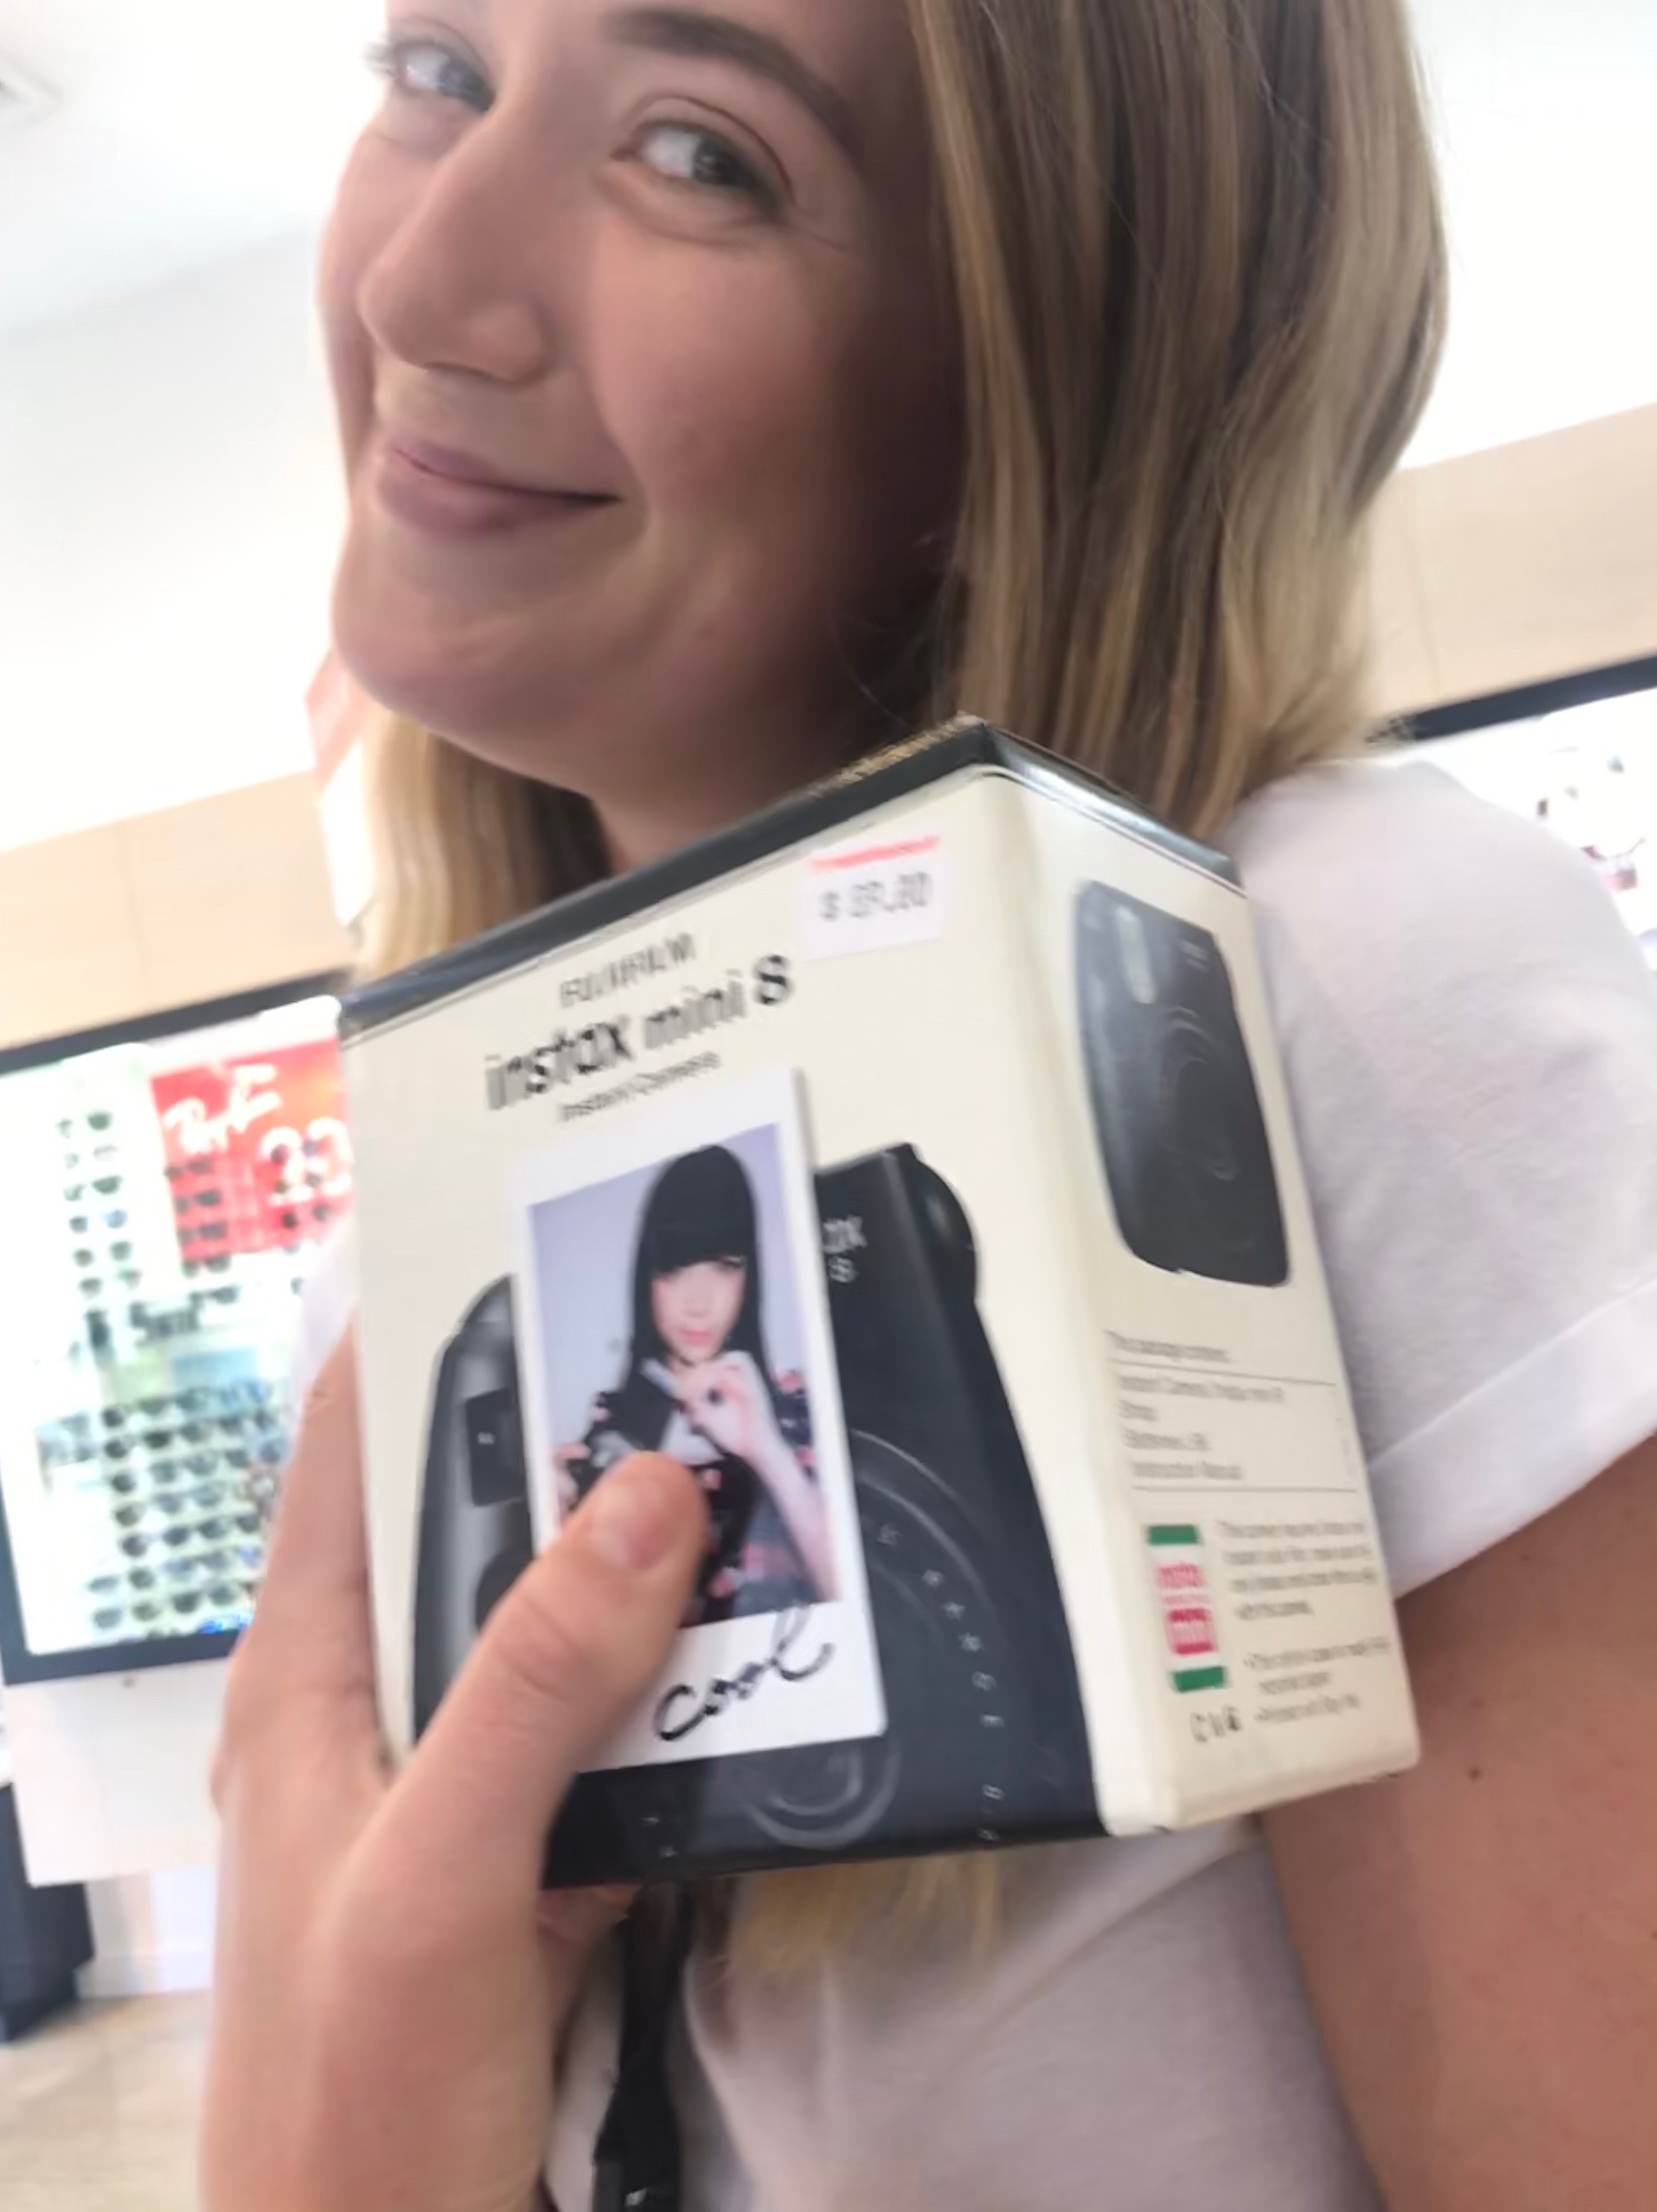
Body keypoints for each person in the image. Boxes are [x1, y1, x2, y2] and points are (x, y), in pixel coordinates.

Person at [203, 2, 1657, 2207]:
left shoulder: (1301, 983)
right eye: (440, 74)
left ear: (1050, 366)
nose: (418, 287)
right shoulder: (399, 1281)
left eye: (699, 153)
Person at [554, 1145, 830, 1623]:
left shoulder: (798, 1410)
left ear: (750, 1276)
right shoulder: (610, 1429)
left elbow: (859, 1595)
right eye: (674, 1268)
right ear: (647, 1279)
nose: (697, 1304)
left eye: (725, 1265)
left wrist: (768, 1451)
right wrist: (556, 1538)